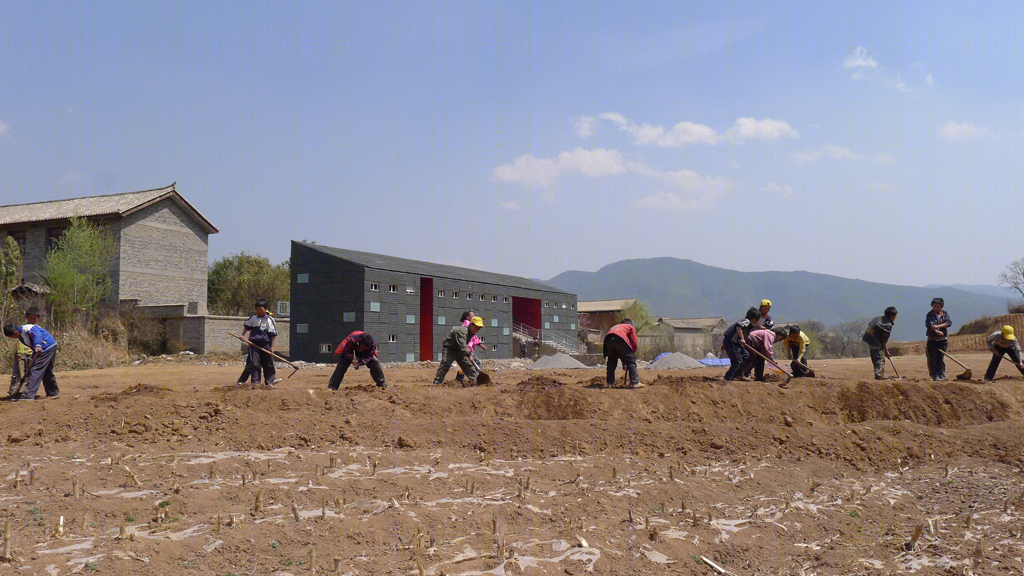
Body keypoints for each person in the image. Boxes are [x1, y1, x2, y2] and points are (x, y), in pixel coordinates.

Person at [3, 320, 59, 401]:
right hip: (49, 347)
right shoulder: (22, 337)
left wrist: (38, 345)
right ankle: (53, 392)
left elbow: (38, 335)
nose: (13, 338)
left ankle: (29, 394)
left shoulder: (27, 328)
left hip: (46, 347)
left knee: (35, 370)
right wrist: (33, 356)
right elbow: (32, 346)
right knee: (47, 371)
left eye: (11, 337)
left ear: (15, 333)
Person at [236, 299, 280, 387]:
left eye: (261, 309)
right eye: (257, 309)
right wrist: (242, 335)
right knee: (254, 363)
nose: (259, 311)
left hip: (266, 344)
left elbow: (273, 335)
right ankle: (255, 382)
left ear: (266, 308)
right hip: (254, 344)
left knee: (268, 363)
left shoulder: (270, 320)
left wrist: (272, 347)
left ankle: (270, 381)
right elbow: (247, 327)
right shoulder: (253, 318)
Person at [434, 316, 484, 385]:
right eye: (475, 327)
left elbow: (464, 347)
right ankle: (437, 382)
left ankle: (475, 381)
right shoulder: (461, 331)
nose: (477, 330)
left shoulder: (471, 333)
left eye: (479, 328)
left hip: (460, 350)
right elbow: (462, 344)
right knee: (445, 364)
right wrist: (469, 354)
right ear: (470, 324)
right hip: (450, 349)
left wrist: (470, 354)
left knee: (468, 365)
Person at [723, 307, 761, 381]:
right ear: (754, 318)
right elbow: (738, 326)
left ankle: (739, 374)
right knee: (737, 361)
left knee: (746, 355)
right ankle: (728, 377)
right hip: (731, 342)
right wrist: (742, 338)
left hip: (736, 344)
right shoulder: (746, 321)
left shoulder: (750, 325)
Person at [8, 307, 39, 396]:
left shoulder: (38, 328)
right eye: (30, 318)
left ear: (38, 319)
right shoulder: (23, 328)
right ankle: (13, 390)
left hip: (32, 353)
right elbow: (20, 341)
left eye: (34, 318)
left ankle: (27, 390)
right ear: (26, 318)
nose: (32, 320)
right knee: (17, 372)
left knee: (29, 372)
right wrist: (20, 352)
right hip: (21, 353)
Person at [604, 319, 643, 389]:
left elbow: (620, 351)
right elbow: (634, 342)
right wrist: (631, 355)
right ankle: (635, 382)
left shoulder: (616, 327)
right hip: (619, 339)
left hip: (608, 339)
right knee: (631, 362)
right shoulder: (630, 327)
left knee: (611, 362)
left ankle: (609, 383)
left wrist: (624, 360)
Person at [863, 307, 898, 380]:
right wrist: (886, 351)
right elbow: (884, 340)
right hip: (875, 341)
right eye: (895, 316)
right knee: (880, 358)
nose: (895, 318)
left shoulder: (878, 318)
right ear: (891, 316)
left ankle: (878, 374)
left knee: (875, 356)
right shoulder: (887, 324)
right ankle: (879, 376)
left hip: (868, 338)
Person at [925, 298, 952, 381]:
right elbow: (929, 325)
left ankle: (941, 373)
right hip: (932, 340)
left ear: (941, 307)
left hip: (942, 340)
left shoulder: (945, 314)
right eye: (934, 306)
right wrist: (936, 331)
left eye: (938, 306)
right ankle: (934, 374)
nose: (936, 308)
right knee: (932, 358)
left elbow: (948, 323)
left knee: (940, 358)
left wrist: (938, 327)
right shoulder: (929, 315)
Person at [455, 311, 486, 384]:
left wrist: (480, 344)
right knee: (474, 362)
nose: (474, 317)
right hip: (466, 348)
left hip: (467, 348)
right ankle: (479, 378)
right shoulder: (467, 325)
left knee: (463, 365)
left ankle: (459, 380)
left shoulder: (471, 326)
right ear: (467, 317)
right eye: (473, 315)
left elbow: (474, 337)